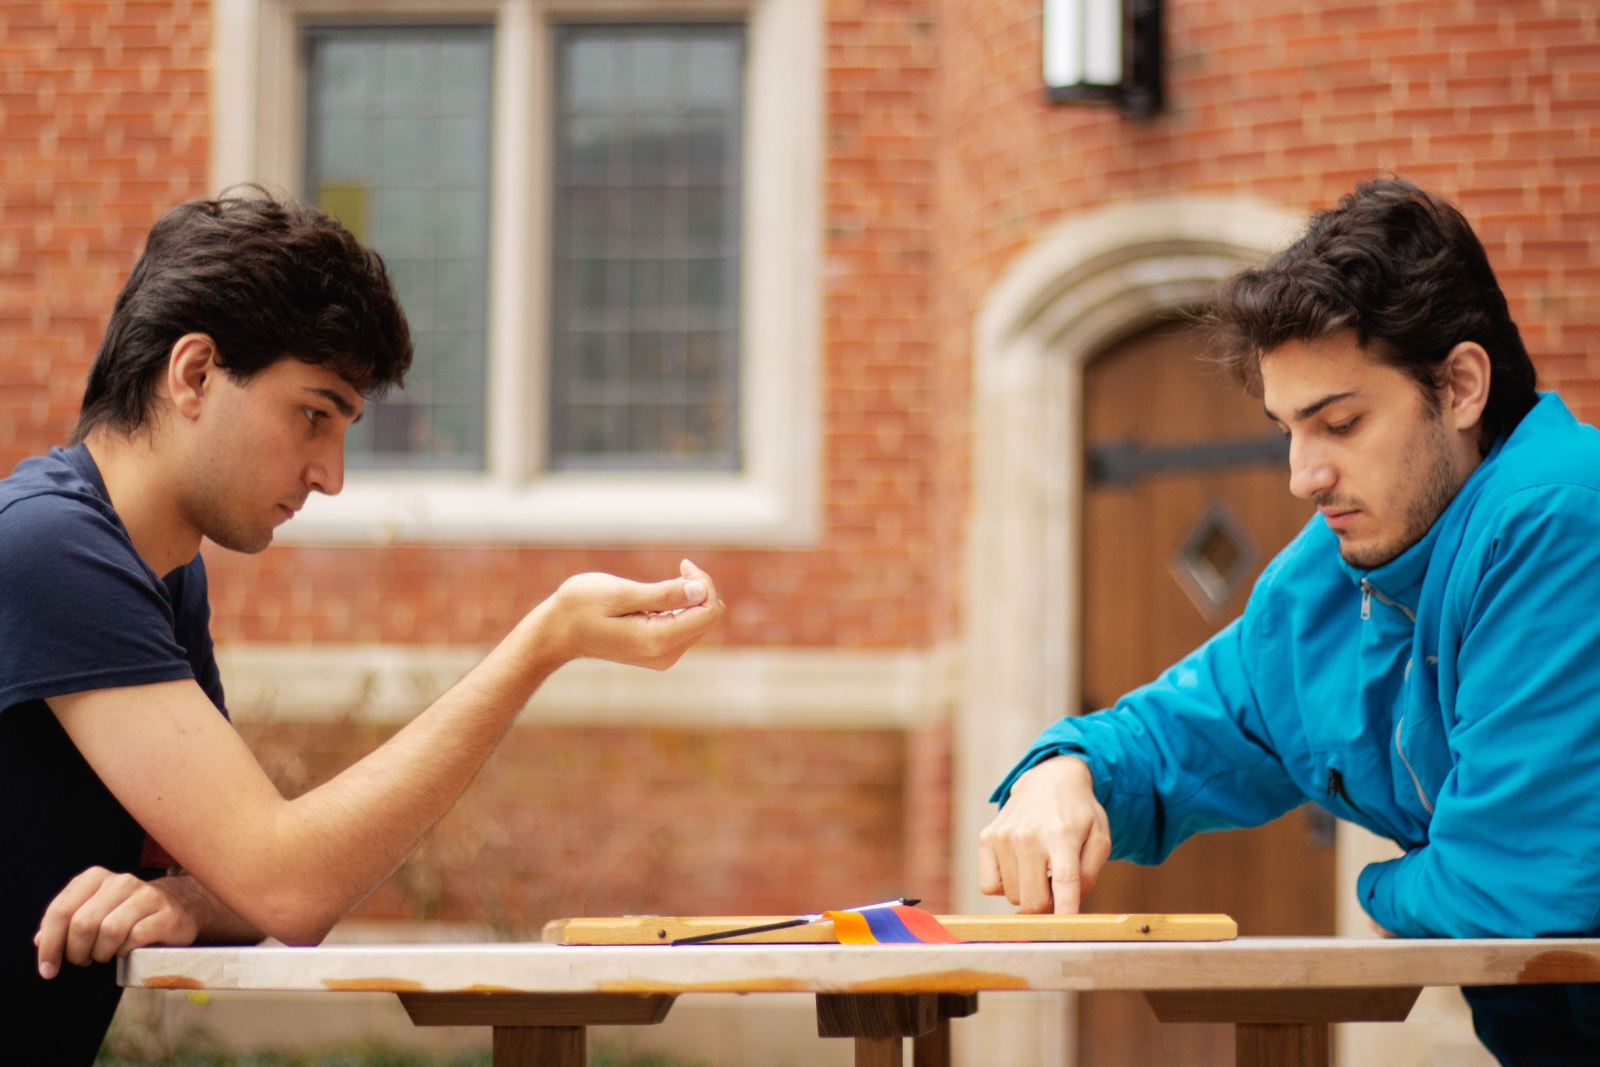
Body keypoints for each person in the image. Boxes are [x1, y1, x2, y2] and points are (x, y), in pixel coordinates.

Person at [0, 194, 725, 1064]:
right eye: (313, 413)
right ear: (193, 374)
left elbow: (243, 874)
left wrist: (188, 900)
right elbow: (289, 881)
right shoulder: (53, 550)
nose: (330, 476)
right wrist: (543, 642)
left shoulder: (159, 571)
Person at [977, 177, 1600, 1065]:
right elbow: (1171, 737)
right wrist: (1062, 771)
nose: (1304, 475)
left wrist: (1378, 888)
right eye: (1286, 432)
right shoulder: (1322, 578)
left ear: (1461, 386)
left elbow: (1513, 888)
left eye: (1339, 423)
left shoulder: (1560, 515)